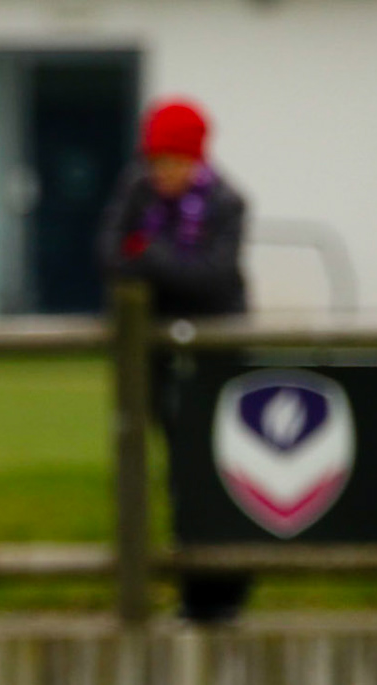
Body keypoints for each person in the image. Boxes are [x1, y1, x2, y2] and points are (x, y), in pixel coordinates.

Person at [96, 96, 252, 623]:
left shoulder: (228, 203)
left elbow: (212, 278)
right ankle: (193, 597)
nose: (161, 173)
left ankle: (224, 597)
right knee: (179, 476)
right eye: (155, 161)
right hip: (158, 361)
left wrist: (149, 255)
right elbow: (110, 256)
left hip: (216, 361)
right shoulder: (136, 190)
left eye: (171, 162)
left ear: (195, 159)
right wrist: (165, 264)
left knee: (220, 472)